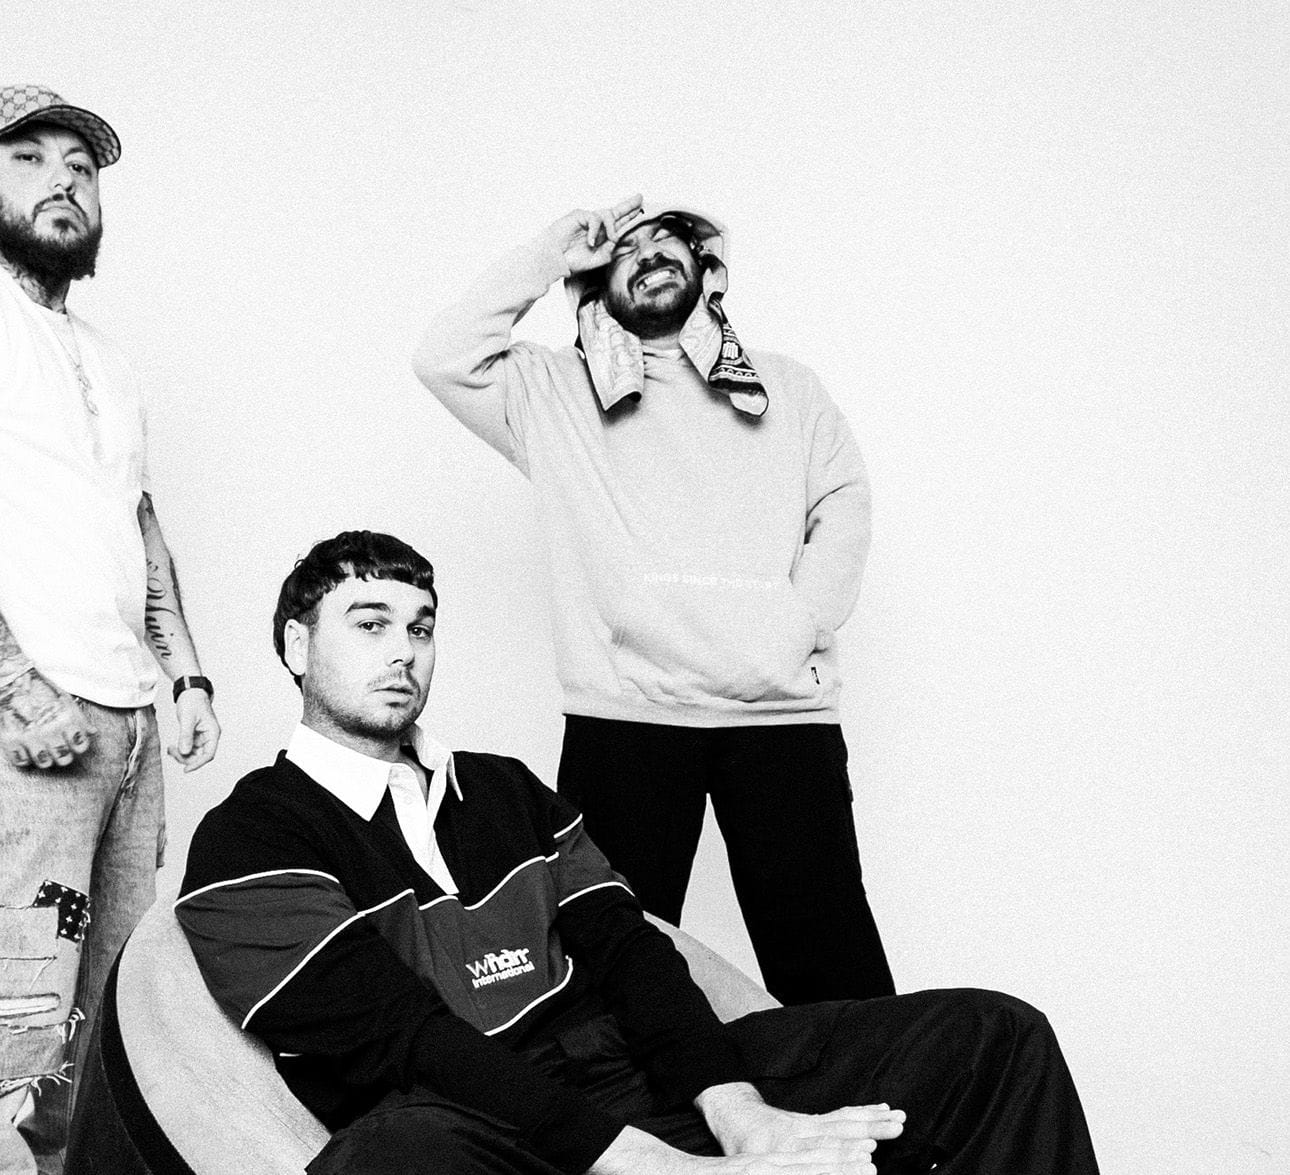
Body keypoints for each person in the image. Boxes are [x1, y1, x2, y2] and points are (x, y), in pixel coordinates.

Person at [175, 531, 1097, 1174]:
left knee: (992, 1034)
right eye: (368, 623)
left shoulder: (504, 789)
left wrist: (739, 1115)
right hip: (479, 1126)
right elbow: (400, 1046)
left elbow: (628, 950)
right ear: (297, 645)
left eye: (420, 627)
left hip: (640, 1076)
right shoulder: (250, 838)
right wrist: (658, 1167)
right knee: (388, 1159)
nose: (404, 652)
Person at [0, 83, 221, 1175]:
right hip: (11, 720)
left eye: (82, 163)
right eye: (30, 157)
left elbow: (135, 516)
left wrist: (186, 673)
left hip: (123, 719)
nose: (64, 178)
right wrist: (16, 687)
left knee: (94, 1028)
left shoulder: (96, 349)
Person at [413, 196, 891, 1003]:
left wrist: (794, 623)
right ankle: (645, 1132)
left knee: (830, 964)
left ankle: (880, 1127)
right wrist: (549, 252)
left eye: (668, 238)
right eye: (624, 250)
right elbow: (443, 356)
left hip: (779, 719)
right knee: (612, 972)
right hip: (627, 718)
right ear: (593, 292)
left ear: (710, 270)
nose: (649, 251)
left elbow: (843, 500)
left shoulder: (789, 388)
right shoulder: (550, 393)